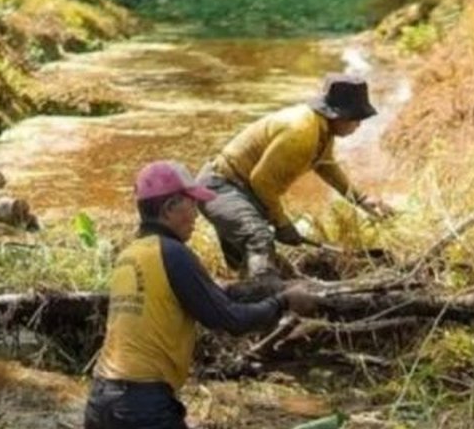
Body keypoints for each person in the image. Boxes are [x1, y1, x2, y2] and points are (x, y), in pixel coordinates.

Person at [86, 160, 317, 429]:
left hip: (101, 401)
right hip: (142, 408)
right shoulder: (173, 253)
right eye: (191, 204)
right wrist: (284, 301)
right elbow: (231, 320)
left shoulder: (130, 255)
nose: (197, 214)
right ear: (169, 208)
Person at [197, 74, 395, 284]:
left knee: (256, 266)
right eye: (356, 119)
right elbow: (262, 182)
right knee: (258, 239)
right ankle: (262, 302)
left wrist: (361, 200)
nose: (359, 126)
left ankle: (244, 291)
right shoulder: (301, 133)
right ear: (339, 116)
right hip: (221, 188)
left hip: (240, 190)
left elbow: (326, 166)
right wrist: (283, 224)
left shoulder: (322, 128)